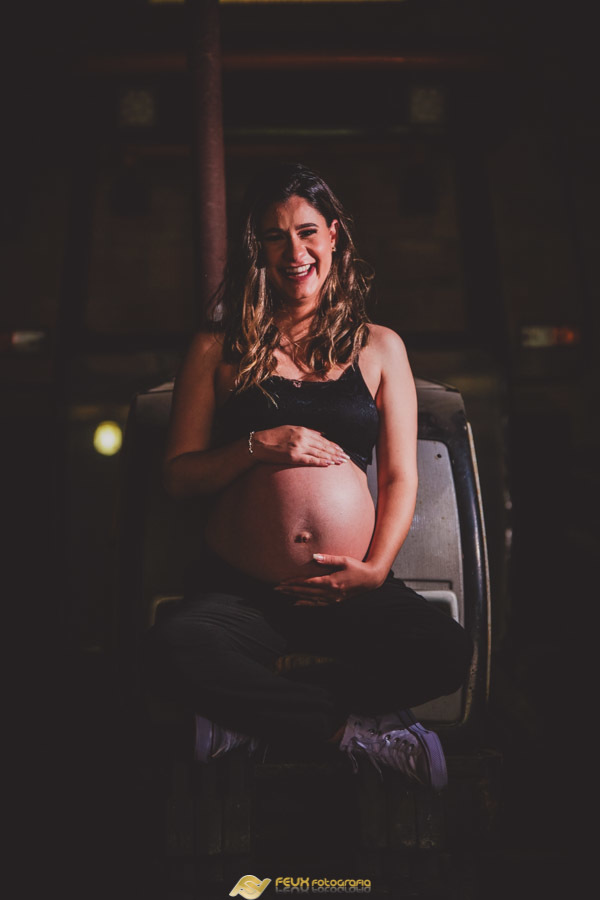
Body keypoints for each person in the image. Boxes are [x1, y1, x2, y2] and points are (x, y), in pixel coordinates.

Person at [147, 163, 472, 790]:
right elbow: (179, 478)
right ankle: (348, 732)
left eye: (306, 232)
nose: (293, 252)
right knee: (171, 648)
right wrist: (256, 446)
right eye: (274, 237)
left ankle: (252, 716)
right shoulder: (217, 348)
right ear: (257, 249)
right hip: (243, 591)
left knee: (446, 652)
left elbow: (399, 478)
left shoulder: (380, 347)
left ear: (333, 237)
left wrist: (373, 571)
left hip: (346, 588)